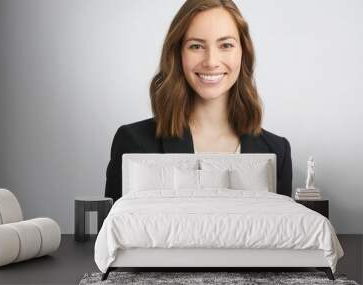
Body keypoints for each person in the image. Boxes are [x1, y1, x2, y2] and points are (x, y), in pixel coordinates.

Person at [105, 0, 292, 203]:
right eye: (196, 46)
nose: (211, 61)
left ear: (243, 53)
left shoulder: (277, 151)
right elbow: (114, 232)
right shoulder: (134, 142)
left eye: (226, 45)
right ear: (178, 54)